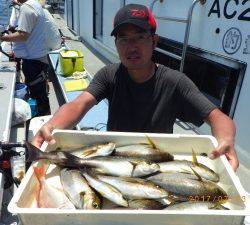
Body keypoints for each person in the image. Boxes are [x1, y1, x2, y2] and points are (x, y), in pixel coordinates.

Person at [32, 4, 238, 171]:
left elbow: (217, 117)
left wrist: (226, 139)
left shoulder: (175, 81)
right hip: (113, 159)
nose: (131, 46)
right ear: (116, 44)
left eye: (140, 37)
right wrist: (52, 125)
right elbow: (79, 104)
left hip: (157, 162)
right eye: (123, 38)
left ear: (154, 41)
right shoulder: (109, 74)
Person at [0, 0, 51, 116]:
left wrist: (3, 38)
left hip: (33, 61)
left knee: (37, 95)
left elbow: (23, 36)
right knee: (40, 93)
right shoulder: (35, 4)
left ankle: (42, 120)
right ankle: (43, 116)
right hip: (38, 57)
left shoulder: (26, 9)